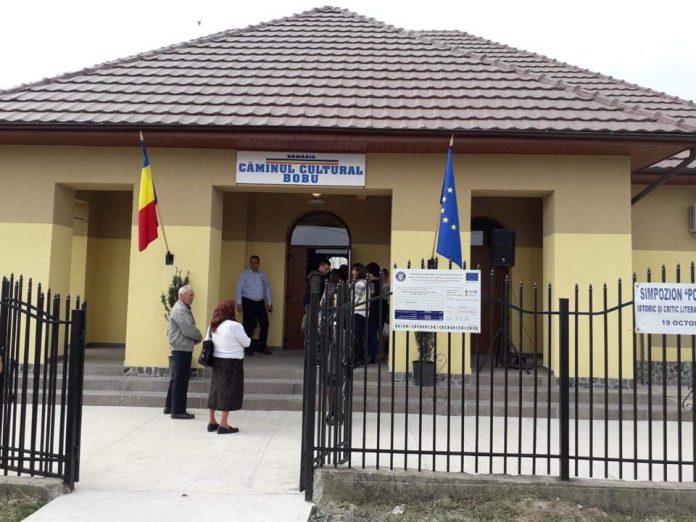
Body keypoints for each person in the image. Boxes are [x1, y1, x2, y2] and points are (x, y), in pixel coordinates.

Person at [206, 299, 250, 435]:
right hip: (232, 361)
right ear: (231, 311)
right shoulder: (234, 326)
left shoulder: (213, 325)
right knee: (228, 390)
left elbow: (207, 341)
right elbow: (247, 342)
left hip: (216, 360)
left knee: (215, 389)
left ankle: (212, 421)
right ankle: (223, 424)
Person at [164, 285, 203, 419]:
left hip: (181, 346)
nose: (192, 297)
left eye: (193, 295)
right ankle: (178, 411)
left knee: (176, 378)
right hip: (182, 347)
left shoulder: (182, 308)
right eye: (190, 295)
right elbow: (188, 329)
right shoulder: (180, 310)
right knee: (181, 380)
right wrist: (198, 336)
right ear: (181, 296)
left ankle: (170, 406)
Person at [235, 255, 273, 355]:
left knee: (265, 324)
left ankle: (262, 347)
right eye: (251, 262)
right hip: (248, 302)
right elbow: (239, 288)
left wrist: (269, 303)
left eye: (255, 262)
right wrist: (239, 303)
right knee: (248, 325)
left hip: (260, 303)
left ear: (259, 263)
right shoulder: (244, 275)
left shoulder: (263, 275)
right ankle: (248, 349)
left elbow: (267, 289)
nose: (253, 264)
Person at [351, 263, 368, 368]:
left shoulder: (360, 283)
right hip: (363, 313)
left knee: (356, 337)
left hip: (358, 311)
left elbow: (354, 299)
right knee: (359, 336)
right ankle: (360, 358)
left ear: (359, 271)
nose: (352, 272)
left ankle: (358, 358)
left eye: (354, 270)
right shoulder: (366, 282)